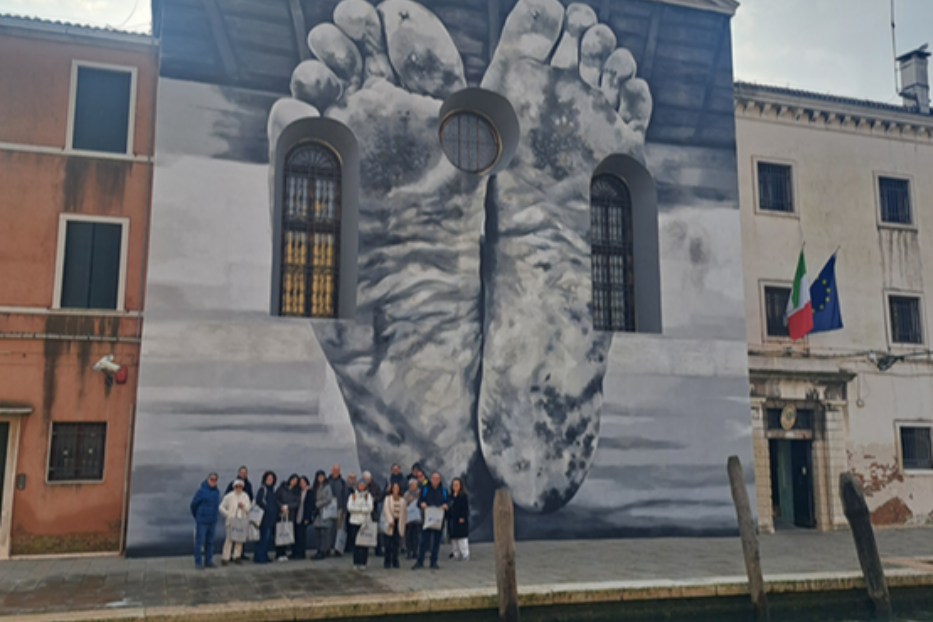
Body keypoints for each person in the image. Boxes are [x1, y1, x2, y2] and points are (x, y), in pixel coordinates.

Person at [412, 472, 448, 570]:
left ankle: (434, 561)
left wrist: (446, 505)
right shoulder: (425, 489)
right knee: (423, 541)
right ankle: (420, 561)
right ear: (430, 479)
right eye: (433, 478)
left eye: (437, 478)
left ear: (439, 480)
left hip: (439, 520)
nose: (435, 480)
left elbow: (448, 501)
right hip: (427, 520)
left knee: (436, 542)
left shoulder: (443, 490)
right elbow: (419, 502)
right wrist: (422, 504)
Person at [189, 472, 220, 569]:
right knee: (199, 542)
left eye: (215, 480)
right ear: (207, 480)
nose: (213, 482)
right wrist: (198, 516)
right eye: (211, 479)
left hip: (212, 521)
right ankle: (198, 562)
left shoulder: (217, 492)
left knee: (210, 542)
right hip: (202, 521)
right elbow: (193, 505)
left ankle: (208, 560)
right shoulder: (201, 491)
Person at [219, 479, 250, 565]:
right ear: (234, 487)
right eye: (237, 486)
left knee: (239, 540)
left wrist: (243, 506)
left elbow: (248, 509)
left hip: (241, 520)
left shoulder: (245, 496)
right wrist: (227, 514)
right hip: (231, 521)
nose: (238, 488)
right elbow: (221, 507)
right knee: (229, 540)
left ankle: (237, 556)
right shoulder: (229, 496)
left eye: (240, 486)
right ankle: (225, 558)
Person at [347, 478, 374, 569]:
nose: (361, 486)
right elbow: (350, 508)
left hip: (365, 522)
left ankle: (363, 562)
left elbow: (370, 508)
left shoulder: (368, 496)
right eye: (360, 484)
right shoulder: (353, 496)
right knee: (355, 543)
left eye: (363, 485)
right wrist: (361, 510)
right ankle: (356, 562)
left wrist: (358, 509)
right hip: (354, 522)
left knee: (364, 544)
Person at [253, 471, 277, 564]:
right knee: (263, 538)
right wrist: (269, 509)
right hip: (264, 518)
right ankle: (260, 557)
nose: (270, 480)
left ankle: (264, 555)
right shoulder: (263, 489)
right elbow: (260, 501)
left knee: (267, 539)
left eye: (272, 479)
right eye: (268, 478)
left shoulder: (272, 490)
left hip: (270, 519)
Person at [275, 474, 301, 561]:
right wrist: (281, 507)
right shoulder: (282, 488)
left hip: (290, 515)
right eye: (293, 480)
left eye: (296, 481)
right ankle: (279, 553)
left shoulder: (297, 491)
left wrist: (288, 507)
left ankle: (286, 552)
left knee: (287, 533)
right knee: (279, 533)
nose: (294, 482)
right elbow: (276, 498)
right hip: (281, 514)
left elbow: (297, 502)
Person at [382, 482, 407, 569]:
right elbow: (386, 510)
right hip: (390, 523)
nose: (395, 489)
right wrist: (390, 521)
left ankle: (395, 560)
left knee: (396, 543)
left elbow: (404, 512)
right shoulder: (388, 499)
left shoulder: (402, 500)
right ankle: (387, 561)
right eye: (394, 488)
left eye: (397, 488)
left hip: (398, 522)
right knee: (388, 543)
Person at [311, 470, 334, 560]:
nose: (320, 478)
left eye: (322, 477)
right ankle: (318, 550)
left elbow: (329, 499)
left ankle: (323, 551)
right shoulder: (315, 487)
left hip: (324, 512)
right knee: (318, 533)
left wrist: (318, 504)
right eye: (319, 477)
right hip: (317, 514)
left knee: (324, 533)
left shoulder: (327, 487)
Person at [327, 464, 348, 557]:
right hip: (327, 509)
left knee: (339, 530)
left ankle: (338, 549)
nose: (336, 472)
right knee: (327, 530)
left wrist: (344, 511)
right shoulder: (327, 481)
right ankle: (327, 549)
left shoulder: (343, 483)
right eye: (334, 470)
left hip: (339, 509)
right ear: (331, 470)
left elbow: (345, 497)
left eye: (337, 470)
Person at [447, 477, 470, 561]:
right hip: (452, 520)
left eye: (457, 485)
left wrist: (462, 517)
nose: (455, 486)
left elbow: (465, 508)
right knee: (453, 539)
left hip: (460, 520)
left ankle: (465, 554)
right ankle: (455, 554)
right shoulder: (450, 496)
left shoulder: (463, 496)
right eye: (454, 485)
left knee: (462, 538)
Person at [362, 471, 384, 556]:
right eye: (364, 479)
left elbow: (380, 496)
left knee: (375, 531)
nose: (365, 481)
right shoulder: (360, 486)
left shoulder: (375, 486)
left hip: (373, 511)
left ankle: (378, 549)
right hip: (363, 512)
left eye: (366, 479)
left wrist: (374, 499)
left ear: (370, 479)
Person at [293, 475, 313, 560]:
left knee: (302, 536)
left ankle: (301, 553)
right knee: (296, 535)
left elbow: (309, 506)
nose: (302, 484)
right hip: (297, 516)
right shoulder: (298, 492)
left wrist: (307, 518)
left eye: (303, 482)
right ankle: (296, 552)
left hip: (304, 516)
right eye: (300, 482)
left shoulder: (309, 492)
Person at [403, 479, 422, 559]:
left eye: (413, 485)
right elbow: (403, 504)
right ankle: (408, 552)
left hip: (417, 518)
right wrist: (408, 501)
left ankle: (415, 551)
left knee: (416, 536)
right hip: (408, 519)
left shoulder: (420, 493)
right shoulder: (407, 494)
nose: (412, 487)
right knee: (408, 536)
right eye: (411, 485)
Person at [343, 473, 358, 554]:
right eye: (350, 477)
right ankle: (347, 546)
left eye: (353, 478)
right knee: (346, 529)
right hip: (347, 511)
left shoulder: (357, 488)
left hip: (355, 512)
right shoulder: (345, 486)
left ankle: (352, 545)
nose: (351, 479)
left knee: (353, 530)